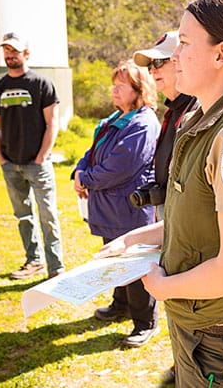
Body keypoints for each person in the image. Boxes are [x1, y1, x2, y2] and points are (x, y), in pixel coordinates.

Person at [95, 0, 223, 387]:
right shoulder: (201, 118)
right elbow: (194, 221)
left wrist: (165, 287)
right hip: (199, 324)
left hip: (219, 333)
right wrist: (132, 239)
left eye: (183, 43)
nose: (175, 56)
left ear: (221, 54)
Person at [73, 59, 161, 347]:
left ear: (139, 89)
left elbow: (118, 168)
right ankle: (120, 304)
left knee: (135, 267)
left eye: (121, 85)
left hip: (129, 209)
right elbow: (92, 152)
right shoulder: (114, 119)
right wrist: (79, 171)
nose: (114, 89)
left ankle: (145, 322)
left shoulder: (143, 123)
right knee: (114, 259)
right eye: (114, 84)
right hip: (110, 209)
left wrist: (86, 179)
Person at [0, 32, 64, 280]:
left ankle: (56, 267)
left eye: (15, 51)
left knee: (48, 215)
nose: (10, 55)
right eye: (7, 51)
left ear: (26, 54)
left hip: (37, 164)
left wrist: (42, 156)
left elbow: (52, 123)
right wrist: (1, 158)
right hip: (11, 164)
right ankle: (33, 261)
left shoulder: (41, 84)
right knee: (23, 216)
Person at [132, 30, 197, 221]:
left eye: (159, 62)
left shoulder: (197, 110)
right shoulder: (173, 110)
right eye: (151, 66)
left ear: (181, 60)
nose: (153, 70)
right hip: (168, 216)